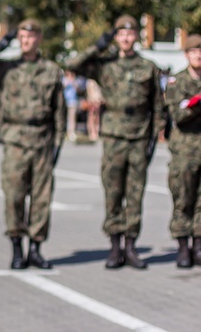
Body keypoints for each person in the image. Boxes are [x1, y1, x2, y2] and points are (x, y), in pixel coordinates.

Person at [65, 15, 165, 269]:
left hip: (139, 136)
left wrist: (155, 137)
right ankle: (114, 246)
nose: (126, 38)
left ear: (136, 37)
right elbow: (73, 65)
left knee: (135, 194)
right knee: (113, 193)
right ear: (116, 37)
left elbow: (158, 106)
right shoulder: (104, 63)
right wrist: (98, 46)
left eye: (130, 34)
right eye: (121, 34)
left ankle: (131, 246)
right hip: (113, 137)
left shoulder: (148, 66)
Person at [0, 19, 66, 270]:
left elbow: (59, 111)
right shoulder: (6, 68)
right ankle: (16, 248)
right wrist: (0, 46)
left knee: (42, 198)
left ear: (39, 38)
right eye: (21, 37)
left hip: (42, 139)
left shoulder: (52, 70)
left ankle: (36, 248)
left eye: (30, 37)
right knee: (14, 196)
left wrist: (58, 143)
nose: (26, 41)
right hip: (15, 141)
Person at [164, 34, 201, 268]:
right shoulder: (176, 83)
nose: (199, 56)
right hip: (184, 151)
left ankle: (198, 246)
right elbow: (178, 116)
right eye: (194, 52)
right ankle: (182, 247)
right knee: (183, 198)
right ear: (186, 55)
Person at [63, 70, 80, 141]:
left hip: (73, 101)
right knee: (63, 117)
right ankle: (63, 131)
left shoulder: (75, 80)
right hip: (64, 101)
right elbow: (62, 87)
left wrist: (73, 83)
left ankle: (71, 132)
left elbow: (79, 90)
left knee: (72, 118)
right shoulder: (63, 79)